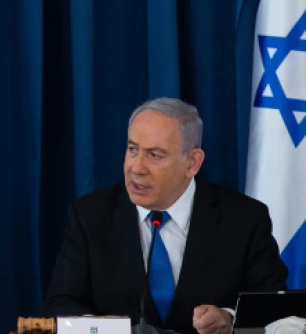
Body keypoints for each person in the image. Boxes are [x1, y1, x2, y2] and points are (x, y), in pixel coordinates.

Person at [42, 98, 287, 334]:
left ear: (192, 163)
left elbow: (276, 309)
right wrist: (99, 329)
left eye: (154, 155)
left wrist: (229, 319)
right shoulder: (90, 216)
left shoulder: (244, 219)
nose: (137, 167)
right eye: (132, 149)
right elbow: (60, 304)